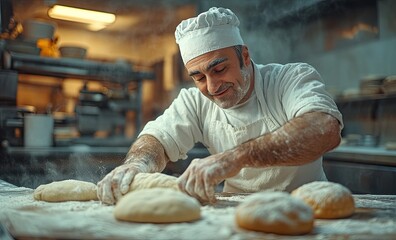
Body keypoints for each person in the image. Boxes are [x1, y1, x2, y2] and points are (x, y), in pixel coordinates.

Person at [97, 7, 343, 205]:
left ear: (244, 57)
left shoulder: (289, 79)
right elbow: (156, 138)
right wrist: (135, 164)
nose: (212, 87)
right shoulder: (195, 101)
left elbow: (324, 128)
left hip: (309, 208)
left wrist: (235, 158)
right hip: (237, 213)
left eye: (219, 69)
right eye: (199, 77)